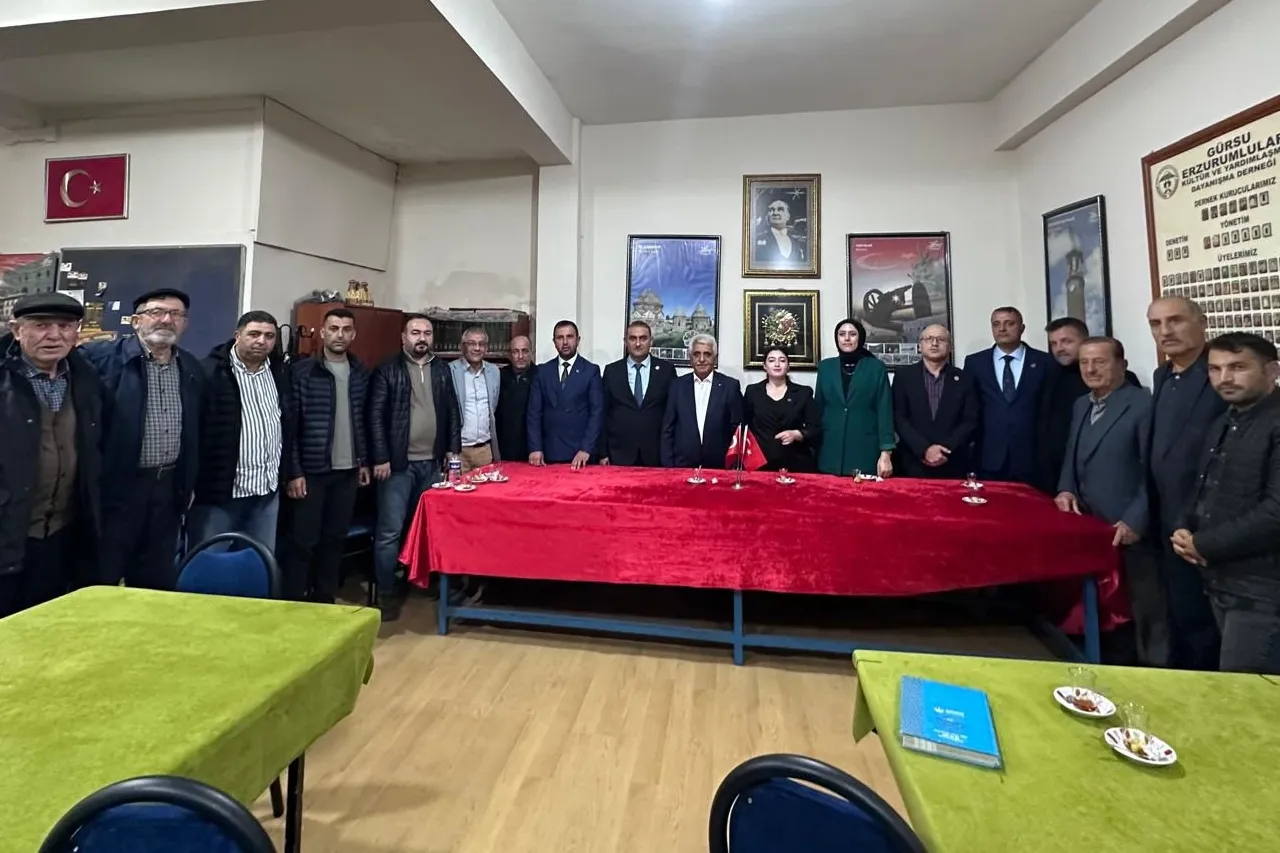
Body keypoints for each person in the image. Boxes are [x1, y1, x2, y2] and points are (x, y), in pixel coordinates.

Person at [81, 288, 206, 591]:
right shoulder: (99, 360)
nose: (166, 320)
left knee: (155, 580)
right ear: (136, 321)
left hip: (168, 489)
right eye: (156, 312)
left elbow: (197, 429)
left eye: (175, 314)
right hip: (117, 490)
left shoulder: (191, 368)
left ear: (185, 323)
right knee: (102, 576)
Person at [1172, 332, 1280, 674]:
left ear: (1272, 371)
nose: (1224, 378)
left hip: (1262, 588)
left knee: (1248, 690)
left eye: (1237, 367)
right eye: (1215, 369)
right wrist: (1183, 528)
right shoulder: (1225, 420)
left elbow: (1275, 512)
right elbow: (1203, 486)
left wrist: (1204, 543)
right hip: (1221, 579)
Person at [1054, 337, 1163, 665]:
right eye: (1084, 362)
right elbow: (1072, 453)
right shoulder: (1081, 404)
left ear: (1122, 365)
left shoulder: (1143, 405)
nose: (1090, 369)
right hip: (1091, 523)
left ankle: (1154, 675)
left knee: (1145, 611)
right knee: (1104, 611)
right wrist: (1065, 489)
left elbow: (1155, 471)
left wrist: (1136, 519)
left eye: (1099, 362)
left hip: (1128, 527)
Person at [0, 293, 104, 617]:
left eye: (65, 326)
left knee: (46, 624)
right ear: (17, 331)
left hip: (61, 538)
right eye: (42, 325)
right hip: (7, 536)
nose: (54, 335)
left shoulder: (87, 379)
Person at [1146, 296, 1225, 670]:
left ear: (1201, 322)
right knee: (1177, 612)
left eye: (1175, 320)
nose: (1165, 331)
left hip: (1204, 524)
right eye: (1156, 324)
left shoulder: (1220, 376)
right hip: (1164, 516)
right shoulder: (1162, 375)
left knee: (1204, 624)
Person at [369, 313, 460, 620]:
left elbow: (452, 412)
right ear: (403, 337)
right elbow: (375, 417)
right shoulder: (387, 369)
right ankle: (387, 591)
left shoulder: (441, 369)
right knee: (390, 531)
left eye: (427, 333)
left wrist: (452, 451)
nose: (422, 338)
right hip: (397, 466)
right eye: (416, 332)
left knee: (424, 530)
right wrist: (381, 457)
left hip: (432, 464)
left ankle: (419, 581)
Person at [284, 307, 370, 604]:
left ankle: (325, 599)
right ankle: (294, 601)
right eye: (333, 329)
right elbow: (291, 427)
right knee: (303, 541)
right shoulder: (302, 372)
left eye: (346, 329)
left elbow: (363, 420)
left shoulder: (360, 372)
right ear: (322, 332)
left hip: (347, 472)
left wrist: (363, 461)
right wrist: (294, 471)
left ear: (353, 334)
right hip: (311, 472)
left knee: (335, 539)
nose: (339, 335)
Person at [189, 311, 291, 551]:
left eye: (269, 336)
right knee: (209, 563)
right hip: (221, 495)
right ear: (237, 335)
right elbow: (193, 434)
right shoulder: (209, 372)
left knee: (258, 563)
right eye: (254, 334)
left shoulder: (280, 372)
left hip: (266, 492)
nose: (261, 341)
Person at [1038, 317, 1141, 493]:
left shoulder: (1117, 378)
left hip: (1111, 485)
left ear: (1085, 340)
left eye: (1066, 341)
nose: (1059, 348)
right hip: (1061, 481)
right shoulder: (1049, 377)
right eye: (1054, 343)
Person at [963, 306, 1055, 485]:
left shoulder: (1045, 362)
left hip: (1031, 458)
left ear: (1022, 328)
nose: (1002, 329)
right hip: (988, 458)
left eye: (1009, 323)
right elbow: (970, 409)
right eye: (996, 324)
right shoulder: (975, 363)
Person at [892, 324, 979, 479]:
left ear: (949, 347)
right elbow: (898, 417)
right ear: (920, 345)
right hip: (911, 462)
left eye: (941, 339)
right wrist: (924, 449)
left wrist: (945, 448)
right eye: (929, 339)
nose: (934, 343)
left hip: (953, 462)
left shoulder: (965, 378)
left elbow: (971, 420)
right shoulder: (903, 376)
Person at [815, 318, 894, 477]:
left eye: (852, 334)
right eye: (842, 334)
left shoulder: (876, 367)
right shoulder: (825, 367)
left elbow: (885, 410)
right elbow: (818, 408)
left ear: (860, 338)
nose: (847, 338)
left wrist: (886, 452)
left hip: (864, 449)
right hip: (830, 450)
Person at [527, 320, 603, 469]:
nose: (565, 342)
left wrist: (586, 449)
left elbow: (597, 413)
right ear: (554, 342)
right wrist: (535, 447)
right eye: (560, 337)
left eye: (569, 336)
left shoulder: (590, 371)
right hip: (549, 452)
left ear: (578, 340)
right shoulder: (542, 371)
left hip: (581, 454)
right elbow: (534, 413)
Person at [661, 334, 743, 469]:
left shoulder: (730, 386)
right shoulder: (676, 386)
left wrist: (733, 464)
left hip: (719, 466)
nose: (702, 359)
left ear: (715, 357)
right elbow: (668, 429)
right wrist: (668, 465)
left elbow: (737, 430)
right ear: (690, 358)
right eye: (696, 354)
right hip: (682, 465)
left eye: (707, 354)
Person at [600, 320, 674, 466]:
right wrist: (603, 452)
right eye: (633, 338)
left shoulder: (666, 371)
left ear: (651, 341)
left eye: (643, 338)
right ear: (625, 342)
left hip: (656, 454)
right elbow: (603, 413)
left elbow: (672, 414)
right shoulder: (612, 371)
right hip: (619, 453)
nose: (638, 343)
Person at [743, 348, 820, 472]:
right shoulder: (752, 392)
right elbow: (744, 427)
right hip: (760, 463)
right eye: (771, 360)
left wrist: (798, 434)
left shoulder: (803, 393)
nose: (777, 364)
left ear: (788, 366)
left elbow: (815, 428)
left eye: (782, 360)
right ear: (765, 366)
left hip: (795, 462)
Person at [449, 326, 501, 471]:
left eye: (481, 344)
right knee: (458, 485)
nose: (477, 348)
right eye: (472, 343)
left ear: (487, 348)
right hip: (458, 451)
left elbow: (493, 407)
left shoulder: (494, 372)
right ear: (462, 346)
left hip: (485, 450)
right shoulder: (450, 370)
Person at [496, 335, 534, 461]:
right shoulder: (499, 376)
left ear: (531, 352)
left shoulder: (541, 376)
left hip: (531, 449)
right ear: (509, 354)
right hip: (503, 449)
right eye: (515, 351)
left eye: (525, 351)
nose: (520, 356)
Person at [751, 196, 809, 269]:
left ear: (788, 216)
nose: (775, 213)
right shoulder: (756, 240)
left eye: (780, 209)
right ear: (768, 216)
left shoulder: (797, 243)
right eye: (771, 210)